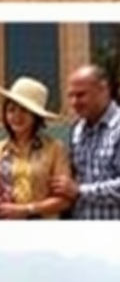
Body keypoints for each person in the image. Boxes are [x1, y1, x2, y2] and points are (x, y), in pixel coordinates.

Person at [0, 77, 70, 219]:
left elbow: (64, 200)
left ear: (36, 116)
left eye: (24, 111)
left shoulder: (55, 149)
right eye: (11, 110)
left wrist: (26, 209)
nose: (16, 116)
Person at [50, 64, 120, 219]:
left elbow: (75, 189)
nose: (74, 102)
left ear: (104, 90)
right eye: (71, 96)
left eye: (81, 95)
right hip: (81, 235)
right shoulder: (77, 130)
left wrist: (80, 191)